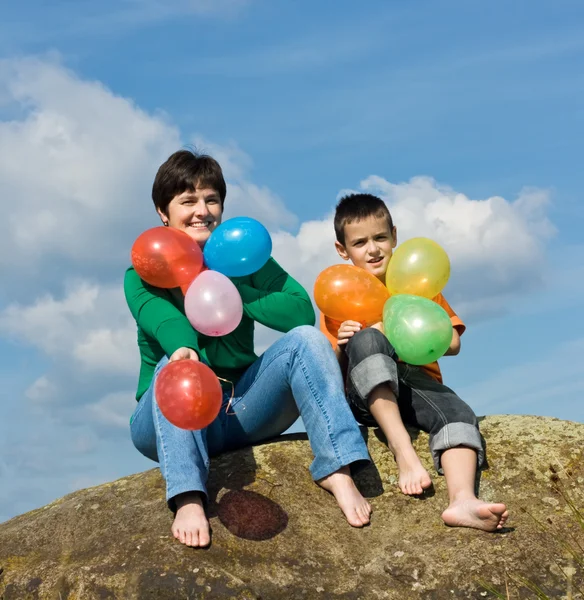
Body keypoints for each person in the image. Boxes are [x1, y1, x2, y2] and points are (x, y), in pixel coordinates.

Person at [124, 150, 372, 548]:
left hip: (239, 408)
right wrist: (183, 347)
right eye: (187, 201)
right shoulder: (144, 267)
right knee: (173, 369)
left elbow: (298, 311)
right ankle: (188, 495)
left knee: (307, 341)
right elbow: (159, 317)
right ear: (163, 212)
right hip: (167, 416)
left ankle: (336, 465)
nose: (202, 211)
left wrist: (228, 282)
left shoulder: (241, 257)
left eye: (211, 199)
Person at [319, 192, 509, 532]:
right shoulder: (340, 294)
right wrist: (344, 344)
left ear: (394, 235)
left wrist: (397, 330)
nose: (373, 249)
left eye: (380, 238)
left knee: (457, 411)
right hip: (365, 394)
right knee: (367, 339)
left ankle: (462, 500)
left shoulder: (418, 284)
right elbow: (327, 370)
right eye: (360, 243)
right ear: (342, 250)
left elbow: (452, 342)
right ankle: (403, 450)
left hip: (415, 384)